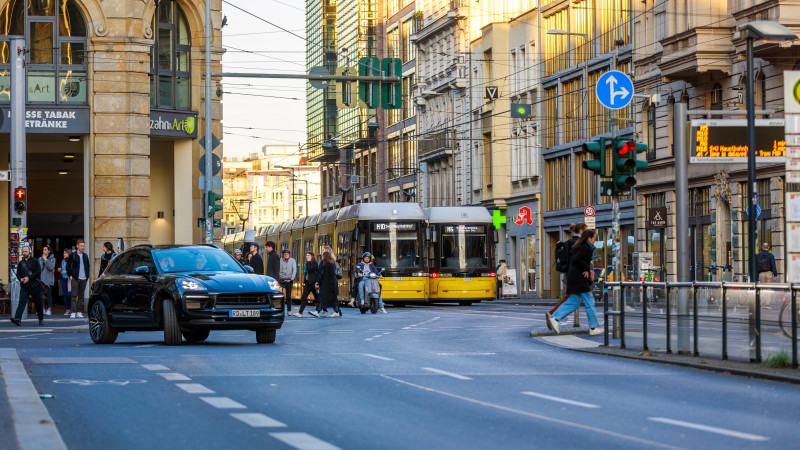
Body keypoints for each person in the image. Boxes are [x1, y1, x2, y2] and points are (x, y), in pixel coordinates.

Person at [547, 229, 604, 335]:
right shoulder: (586, 247)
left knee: (574, 301)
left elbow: (577, 260)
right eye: (594, 238)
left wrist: (586, 269)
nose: (595, 240)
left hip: (573, 276)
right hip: (579, 278)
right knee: (589, 300)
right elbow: (578, 260)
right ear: (589, 238)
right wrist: (586, 269)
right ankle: (593, 327)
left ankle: (555, 318)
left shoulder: (580, 245)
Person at [546, 223, 588, 330]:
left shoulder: (568, 242)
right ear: (581, 231)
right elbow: (579, 260)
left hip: (569, 273)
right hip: (577, 275)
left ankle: (553, 315)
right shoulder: (578, 243)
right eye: (586, 230)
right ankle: (553, 315)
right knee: (575, 299)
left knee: (571, 298)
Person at [10, 245, 45, 326]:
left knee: (38, 302)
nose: (24, 253)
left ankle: (41, 319)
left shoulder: (35, 261)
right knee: (22, 302)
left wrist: (29, 277)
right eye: (23, 251)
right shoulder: (21, 263)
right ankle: (17, 319)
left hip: (34, 285)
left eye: (26, 251)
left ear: (29, 252)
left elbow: (38, 272)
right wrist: (21, 279)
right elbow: (18, 274)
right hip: (24, 286)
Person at [312, 251, 341, 318]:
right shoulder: (331, 263)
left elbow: (325, 274)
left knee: (324, 297)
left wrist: (319, 282)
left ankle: (317, 311)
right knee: (331, 298)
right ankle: (336, 312)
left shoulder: (327, 264)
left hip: (328, 284)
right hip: (330, 284)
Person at [67, 239, 91, 319]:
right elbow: (68, 265)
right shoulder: (73, 255)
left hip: (84, 278)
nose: (82, 247)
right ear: (77, 246)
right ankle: (73, 312)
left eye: (83, 246)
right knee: (74, 295)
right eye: (81, 245)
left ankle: (79, 311)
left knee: (81, 296)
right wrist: (70, 275)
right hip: (75, 278)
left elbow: (88, 265)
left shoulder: (85, 255)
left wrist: (87, 275)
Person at [292, 252, 319, 317]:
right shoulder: (307, 263)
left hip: (313, 283)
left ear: (312, 256)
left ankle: (323, 310)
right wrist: (304, 282)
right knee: (303, 297)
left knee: (318, 298)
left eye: (308, 255)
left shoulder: (314, 263)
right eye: (306, 255)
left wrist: (317, 283)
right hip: (307, 283)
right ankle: (300, 313)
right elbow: (306, 273)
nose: (307, 256)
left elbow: (310, 269)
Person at [279, 248, 297, 314]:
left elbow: (294, 269)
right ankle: (280, 310)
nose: (286, 255)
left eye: (287, 254)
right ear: (283, 255)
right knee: (280, 296)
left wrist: (293, 276)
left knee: (288, 296)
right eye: (284, 254)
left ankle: (289, 311)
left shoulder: (292, 260)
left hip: (289, 280)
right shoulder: (280, 260)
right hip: (281, 279)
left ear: (289, 255)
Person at [39, 245, 56, 316]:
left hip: (48, 279)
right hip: (41, 279)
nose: (44, 251)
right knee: (40, 295)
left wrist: (46, 260)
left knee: (49, 295)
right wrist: (42, 260)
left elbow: (51, 267)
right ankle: (42, 309)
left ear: (49, 251)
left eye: (45, 250)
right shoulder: (40, 259)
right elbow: (39, 268)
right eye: (43, 250)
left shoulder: (52, 259)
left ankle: (49, 309)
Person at [58, 248, 72, 316]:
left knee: (69, 294)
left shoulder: (71, 260)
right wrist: (60, 269)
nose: (64, 254)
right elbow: (61, 268)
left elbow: (72, 269)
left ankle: (72, 308)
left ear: (69, 254)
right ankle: (67, 309)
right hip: (63, 279)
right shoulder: (63, 260)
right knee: (65, 295)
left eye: (65, 253)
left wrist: (66, 271)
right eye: (64, 253)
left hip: (69, 279)